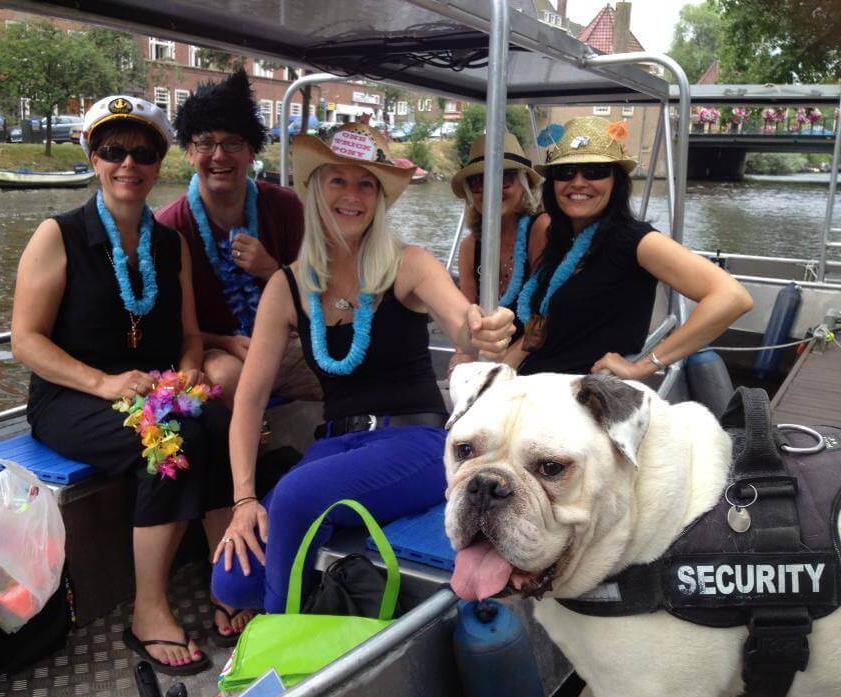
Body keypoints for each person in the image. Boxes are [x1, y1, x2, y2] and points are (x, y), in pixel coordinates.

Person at [209, 123, 515, 616]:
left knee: (295, 497)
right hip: (335, 447)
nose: (352, 195)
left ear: (379, 198)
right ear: (316, 189)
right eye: (338, 180)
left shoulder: (409, 264)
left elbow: (462, 322)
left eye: (366, 184)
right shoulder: (287, 286)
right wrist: (244, 500)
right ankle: (317, 603)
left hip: (415, 444)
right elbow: (249, 398)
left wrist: (482, 328)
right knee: (232, 580)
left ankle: (280, 640)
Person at [11, 95, 230, 675]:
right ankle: (148, 610)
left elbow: (189, 336)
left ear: (158, 165)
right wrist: (103, 383)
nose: (128, 163)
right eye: (113, 151)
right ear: (94, 158)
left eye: (143, 153)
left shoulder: (169, 244)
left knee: (217, 419)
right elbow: (26, 340)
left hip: (151, 391)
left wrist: (189, 368)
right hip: (72, 396)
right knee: (170, 438)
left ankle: (226, 577)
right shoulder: (58, 235)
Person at [515, 116, 752, 377]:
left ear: (615, 181)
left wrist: (644, 366)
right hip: (532, 384)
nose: (578, 182)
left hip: (583, 393)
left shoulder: (633, 239)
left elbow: (732, 297)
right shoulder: (560, 240)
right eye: (565, 172)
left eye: (595, 171)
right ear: (553, 184)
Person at [156, 69, 321, 410]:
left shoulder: (286, 207)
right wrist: (225, 342)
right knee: (227, 376)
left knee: (343, 364)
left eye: (232, 143)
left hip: (283, 339)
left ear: (251, 151)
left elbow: (318, 300)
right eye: (206, 143)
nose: (219, 156)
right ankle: (253, 445)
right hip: (212, 349)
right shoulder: (169, 226)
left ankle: (348, 436)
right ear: (189, 152)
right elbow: (166, 329)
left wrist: (272, 271)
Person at [450, 131, 549, 372]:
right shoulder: (470, 246)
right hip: (490, 355)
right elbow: (466, 315)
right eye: (478, 182)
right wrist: (462, 356)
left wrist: (505, 366)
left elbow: (547, 315)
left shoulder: (541, 229)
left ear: (524, 184)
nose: (490, 189)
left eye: (505, 178)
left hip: (539, 356)